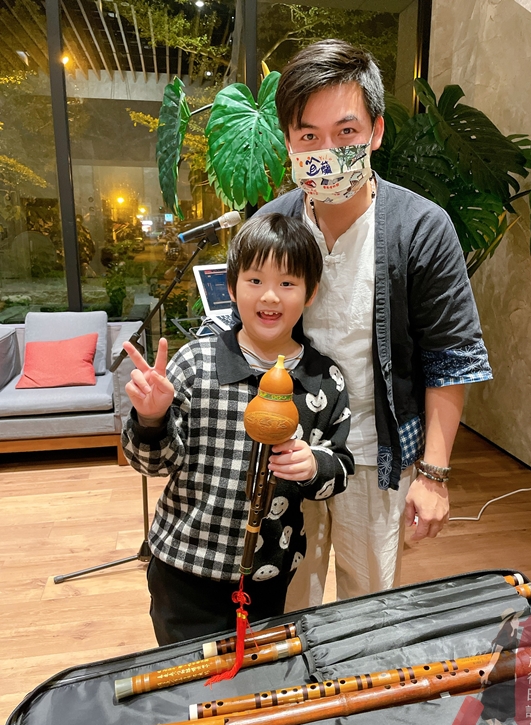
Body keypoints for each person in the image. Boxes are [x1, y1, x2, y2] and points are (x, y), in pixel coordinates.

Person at [254, 39, 493, 611]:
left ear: (376, 131)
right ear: (288, 141)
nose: (326, 152)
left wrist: (433, 476)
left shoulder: (421, 228)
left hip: (377, 456)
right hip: (288, 452)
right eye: (308, 136)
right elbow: (243, 340)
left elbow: (450, 358)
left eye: (346, 132)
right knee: (287, 611)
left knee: (370, 613)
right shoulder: (270, 227)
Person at [121, 213, 354, 645]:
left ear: (310, 293)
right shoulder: (195, 364)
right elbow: (151, 464)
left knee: (256, 672)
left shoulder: (323, 380)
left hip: (268, 574)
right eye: (255, 280)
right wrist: (151, 418)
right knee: (185, 673)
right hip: (183, 567)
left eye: (288, 282)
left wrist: (313, 465)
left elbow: (340, 468)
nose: (270, 295)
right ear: (231, 287)